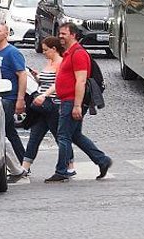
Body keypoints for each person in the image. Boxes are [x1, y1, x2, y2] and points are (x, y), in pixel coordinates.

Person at [45, 22, 112, 183]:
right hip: (68, 100)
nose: (60, 36)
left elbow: (81, 81)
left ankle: (62, 170)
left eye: (63, 33)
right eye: (60, 33)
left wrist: (77, 105)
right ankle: (102, 160)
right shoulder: (70, 53)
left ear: (73, 35)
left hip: (72, 101)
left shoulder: (78, 54)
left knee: (63, 136)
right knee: (75, 135)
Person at [12, 36, 75, 180]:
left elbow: (58, 83)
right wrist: (36, 76)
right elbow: (45, 81)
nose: (44, 53)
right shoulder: (50, 62)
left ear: (54, 49)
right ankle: (24, 167)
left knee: (60, 137)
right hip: (42, 107)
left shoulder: (61, 63)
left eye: (46, 50)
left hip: (53, 105)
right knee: (35, 136)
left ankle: (70, 166)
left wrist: (44, 95)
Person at [0, 22, 28, 164]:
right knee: (10, 131)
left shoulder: (12, 52)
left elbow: (22, 75)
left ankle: (11, 164)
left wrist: (20, 99)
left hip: (8, 98)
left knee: (1, 131)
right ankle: (23, 161)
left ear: (6, 34)